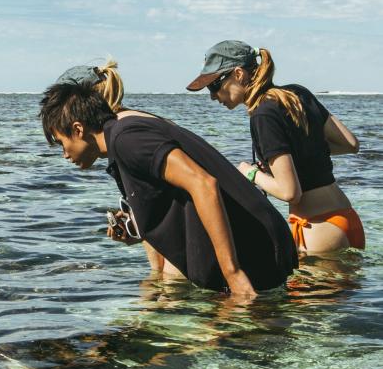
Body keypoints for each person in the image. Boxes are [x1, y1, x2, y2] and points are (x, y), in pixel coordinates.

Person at [39, 80, 297, 297]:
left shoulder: (127, 140)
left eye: (61, 143)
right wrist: (137, 229)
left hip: (254, 251)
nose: (64, 154)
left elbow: (203, 183)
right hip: (255, 245)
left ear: (78, 129)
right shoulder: (123, 134)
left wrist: (233, 273)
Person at [186, 41, 364, 255]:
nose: (213, 96)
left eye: (214, 85)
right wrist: (296, 152)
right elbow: (350, 144)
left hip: (318, 229)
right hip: (348, 217)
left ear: (239, 74)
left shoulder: (263, 114)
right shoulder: (298, 94)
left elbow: (290, 193)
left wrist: (249, 172)